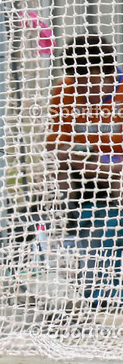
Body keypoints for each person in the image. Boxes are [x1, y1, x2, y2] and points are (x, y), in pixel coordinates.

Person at [47, 34, 123, 309]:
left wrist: (89, 161)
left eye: (89, 81)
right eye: (77, 82)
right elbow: (58, 149)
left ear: (108, 73)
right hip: (86, 181)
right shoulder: (65, 91)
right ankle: (93, 298)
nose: (83, 90)